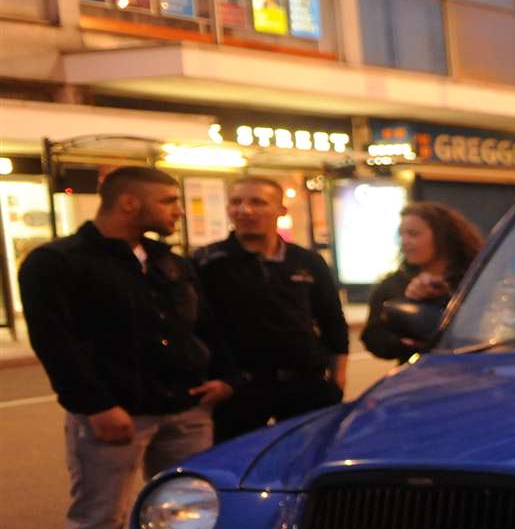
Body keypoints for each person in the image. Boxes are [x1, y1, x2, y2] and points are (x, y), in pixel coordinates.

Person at [18, 165, 234, 529]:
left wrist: (225, 378)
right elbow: (56, 342)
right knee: (99, 521)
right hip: (115, 415)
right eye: (167, 201)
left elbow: (206, 324)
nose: (178, 211)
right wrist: (95, 405)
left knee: (190, 518)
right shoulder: (57, 263)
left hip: (186, 409)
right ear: (130, 204)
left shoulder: (169, 262)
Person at [193, 176, 350, 441]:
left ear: (281, 210)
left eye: (257, 202)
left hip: (305, 386)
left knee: (305, 462)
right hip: (239, 389)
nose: (244, 210)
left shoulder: (307, 261)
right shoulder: (208, 262)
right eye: (236, 202)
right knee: (238, 469)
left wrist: (337, 380)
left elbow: (332, 319)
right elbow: (197, 327)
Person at [362, 201, 484, 360]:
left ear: (442, 236)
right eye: (401, 235)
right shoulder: (392, 284)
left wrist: (445, 293)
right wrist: (402, 343)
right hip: (418, 374)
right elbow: (372, 336)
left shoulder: (477, 277)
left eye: (413, 234)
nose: (404, 241)